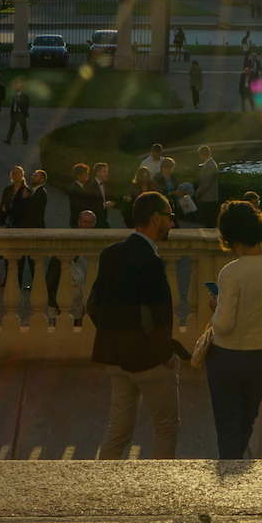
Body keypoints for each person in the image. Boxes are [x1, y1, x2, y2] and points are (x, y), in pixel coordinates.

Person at [89, 190, 189, 460]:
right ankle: (155, 495)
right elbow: (155, 318)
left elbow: (93, 305)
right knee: (167, 429)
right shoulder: (152, 262)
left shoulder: (110, 254)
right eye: (169, 217)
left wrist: (115, 336)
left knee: (118, 431)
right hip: (150, 363)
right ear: (155, 218)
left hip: (116, 358)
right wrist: (166, 356)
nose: (172, 223)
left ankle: (102, 488)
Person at [205, 200, 262, 459]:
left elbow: (223, 324)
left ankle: (229, 477)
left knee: (227, 426)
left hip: (227, 357)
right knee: (246, 421)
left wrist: (215, 305)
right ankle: (237, 472)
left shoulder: (231, 272)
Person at [193, 145, 220, 226]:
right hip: (209, 198)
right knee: (208, 221)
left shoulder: (210, 166)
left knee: (208, 221)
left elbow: (205, 184)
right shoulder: (210, 164)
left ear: (201, 154)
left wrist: (197, 193)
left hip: (208, 199)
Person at [66, 162, 94, 227]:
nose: (87, 176)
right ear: (78, 175)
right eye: (85, 174)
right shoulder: (75, 189)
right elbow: (78, 208)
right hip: (78, 224)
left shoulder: (82, 187)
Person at [4, 79, 31, 144]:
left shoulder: (25, 96)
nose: (16, 87)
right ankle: (8, 140)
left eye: (18, 86)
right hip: (15, 114)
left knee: (23, 128)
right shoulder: (15, 95)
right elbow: (13, 105)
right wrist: (12, 113)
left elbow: (26, 105)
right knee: (12, 128)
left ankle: (25, 140)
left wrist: (24, 113)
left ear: (21, 88)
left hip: (21, 114)